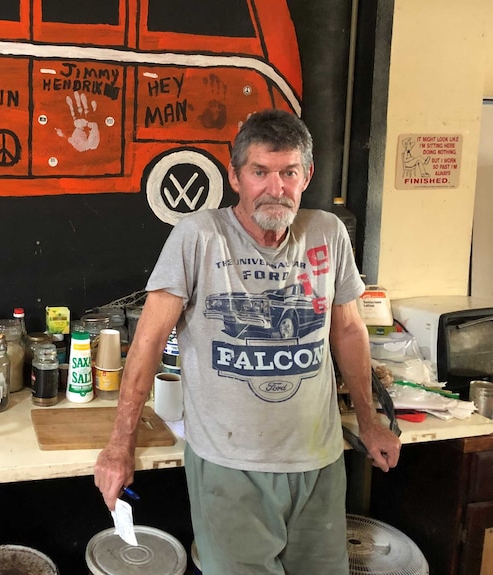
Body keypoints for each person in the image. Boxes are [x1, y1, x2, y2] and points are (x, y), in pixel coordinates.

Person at [94, 108, 401, 574]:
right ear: (236, 176)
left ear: (307, 175)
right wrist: (120, 445)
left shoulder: (328, 233)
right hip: (228, 466)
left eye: (288, 173)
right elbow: (148, 342)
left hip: (319, 461)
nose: (275, 188)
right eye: (260, 172)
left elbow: (350, 330)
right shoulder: (198, 237)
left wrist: (371, 421)